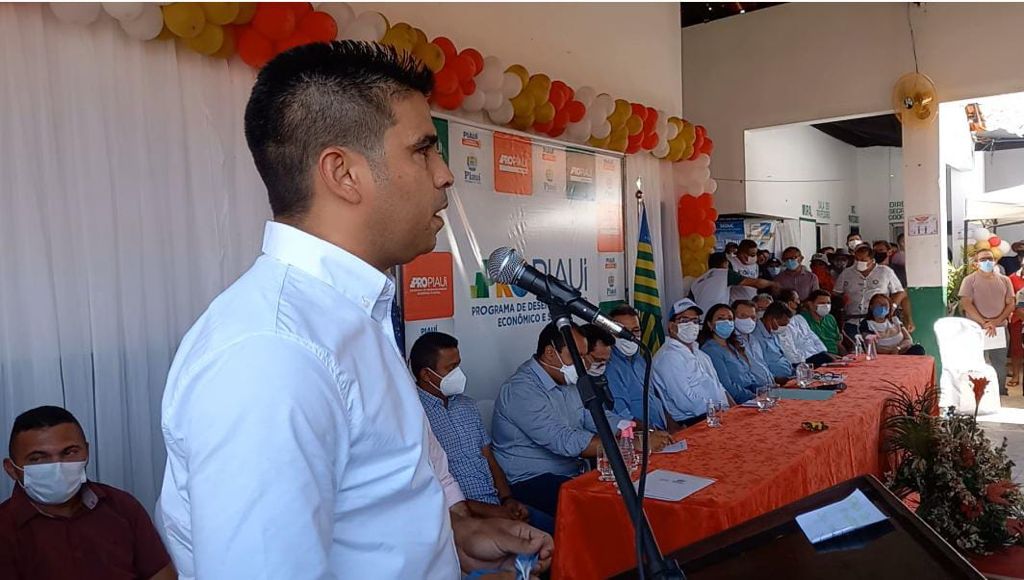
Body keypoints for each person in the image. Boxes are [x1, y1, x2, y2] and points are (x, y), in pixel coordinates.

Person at [156, 42, 551, 580]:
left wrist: (451, 540)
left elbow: (368, 513)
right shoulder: (274, 353)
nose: (445, 175)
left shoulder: (351, 318)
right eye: (423, 150)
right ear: (343, 173)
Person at [492, 323, 659, 517]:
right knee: (608, 510)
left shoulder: (566, 380)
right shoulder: (520, 390)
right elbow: (564, 441)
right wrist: (632, 443)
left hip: (572, 472)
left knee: (638, 491)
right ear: (550, 353)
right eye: (576, 356)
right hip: (531, 480)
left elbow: (592, 417)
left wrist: (634, 429)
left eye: (584, 355)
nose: (584, 364)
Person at [1, 406, 175, 580]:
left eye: (70, 452)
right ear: (11, 469)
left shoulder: (122, 506)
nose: (57, 466)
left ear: (87, 451)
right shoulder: (5, 527)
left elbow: (161, 574)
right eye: (38, 458)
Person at [410, 332, 554, 534]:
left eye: (458, 365)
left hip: (497, 504)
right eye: (451, 368)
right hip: (460, 517)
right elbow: (432, 487)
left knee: (562, 531)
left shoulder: (467, 405)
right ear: (426, 375)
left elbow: (489, 458)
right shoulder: (413, 415)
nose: (458, 373)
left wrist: (507, 499)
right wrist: (492, 511)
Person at [652, 299, 731, 426]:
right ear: (671, 326)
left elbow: (719, 387)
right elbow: (686, 403)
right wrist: (719, 412)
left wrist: (733, 411)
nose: (691, 325)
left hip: (717, 414)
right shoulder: (668, 357)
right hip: (694, 421)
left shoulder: (700, 354)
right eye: (684, 320)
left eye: (695, 321)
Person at [604, 305, 678, 433]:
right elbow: (623, 416)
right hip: (640, 435)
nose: (630, 336)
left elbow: (654, 398)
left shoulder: (640, 359)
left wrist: (673, 426)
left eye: (636, 330)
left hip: (661, 429)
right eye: (623, 331)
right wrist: (652, 434)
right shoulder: (609, 367)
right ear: (610, 333)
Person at [959, 248, 1016, 395]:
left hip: (999, 329)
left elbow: (1011, 303)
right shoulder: (969, 280)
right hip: (977, 329)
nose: (987, 262)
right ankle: (979, 393)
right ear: (976, 263)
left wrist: (995, 322)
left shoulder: (1005, 280)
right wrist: (984, 322)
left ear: (995, 261)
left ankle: (1000, 391)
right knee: (977, 362)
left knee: (999, 362)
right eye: (983, 259)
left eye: (990, 259)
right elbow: (966, 303)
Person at [835, 244, 906, 340]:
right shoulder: (846, 273)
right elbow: (836, 293)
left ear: (872, 260)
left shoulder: (885, 272)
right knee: (855, 343)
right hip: (852, 320)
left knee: (880, 343)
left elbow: (899, 292)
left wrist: (892, 307)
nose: (859, 262)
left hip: (878, 321)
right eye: (857, 259)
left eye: (863, 260)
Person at [699, 304, 761, 404]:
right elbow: (727, 386)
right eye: (720, 318)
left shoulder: (732, 345)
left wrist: (763, 390)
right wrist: (754, 397)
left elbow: (749, 377)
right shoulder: (710, 350)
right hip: (738, 401)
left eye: (730, 319)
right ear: (710, 324)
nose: (726, 322)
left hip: (752, 396)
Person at [691, 252, 774, 314]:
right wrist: (772, 284)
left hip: (700, 320)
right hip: (717, 317)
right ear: (725, 263)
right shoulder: (725, 273)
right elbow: (756, 283)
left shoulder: (697, 280)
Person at [776, 289, 835, 367]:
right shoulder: (783, 324)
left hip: (817, 355)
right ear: (790, 303)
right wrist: (809, 356)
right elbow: (790, 352)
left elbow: (814, 338)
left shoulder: (799, 318)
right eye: (797, 299)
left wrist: (823, 352)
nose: (799, 302)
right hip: (803, 361)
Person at [859, 295, 925, 355]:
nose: (882, 307)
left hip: (902, 352)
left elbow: (908, 339)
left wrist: (898, 348)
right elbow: (870, 346)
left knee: (918, 349)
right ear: (871, 307)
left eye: (885, 305)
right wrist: (890, 353)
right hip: (883, 356)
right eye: (879, 304)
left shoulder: (894, 320)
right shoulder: (867, 324)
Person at [732, 299, 778, 386]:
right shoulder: (731, 342)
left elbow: (762, 364)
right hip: (753, 390)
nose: (748, 320)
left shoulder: (754, 339)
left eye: (752, 317)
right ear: (733, 317)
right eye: (743, 316)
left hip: (770, 387)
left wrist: (773, 381)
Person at [751, 302, 795, 379]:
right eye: (782, 325)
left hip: (790, 375)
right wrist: (775, 379)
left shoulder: (773, 332)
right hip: (776, 381)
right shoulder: (755, 336)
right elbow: (758, 367)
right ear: (770, 318)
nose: (784, 328)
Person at [801, 290, 845, 356]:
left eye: (828, 303)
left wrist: (848, 357)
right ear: (810, 304)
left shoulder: (830, 318)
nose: (826, 306)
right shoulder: (802, 320)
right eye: (822, 303)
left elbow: (837, 343)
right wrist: (828, 356)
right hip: (816, 358)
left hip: (836, 358)